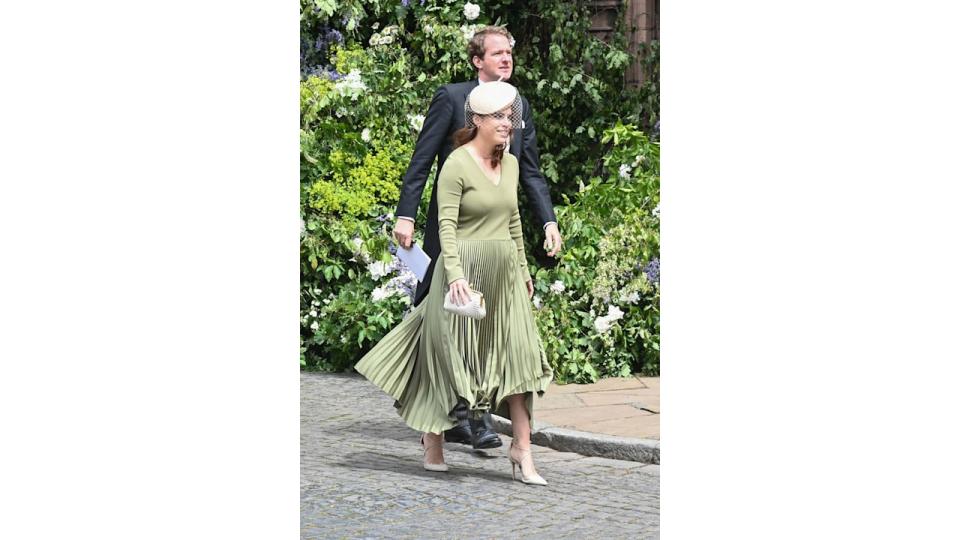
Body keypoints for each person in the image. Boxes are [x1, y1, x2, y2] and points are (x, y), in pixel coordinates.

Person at [356, 81, 552, 485]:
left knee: (521, 359)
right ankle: (433, 440)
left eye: (510, 116)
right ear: (477, 120)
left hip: (503, 274)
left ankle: (522, 450)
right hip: (462, 270)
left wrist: (523, 268)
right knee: (448, 360)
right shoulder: (457, 164)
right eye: (499, 117)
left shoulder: (511, 164)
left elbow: (513, 220)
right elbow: (446, 224)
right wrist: (457, 277)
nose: (508, 124)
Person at [391, 25, 562, 450]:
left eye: (509, 52)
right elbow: (423, 159)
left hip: (498, 240)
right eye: (498, 53)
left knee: (484, 329)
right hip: (454, 232)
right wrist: (406, 215)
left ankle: (473, 417)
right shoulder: (453, 98)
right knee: (443, 322)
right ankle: (436, 407)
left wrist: (548, 222)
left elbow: (531, 172)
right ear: (477, 60)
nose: (506, 59)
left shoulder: (517, 107)